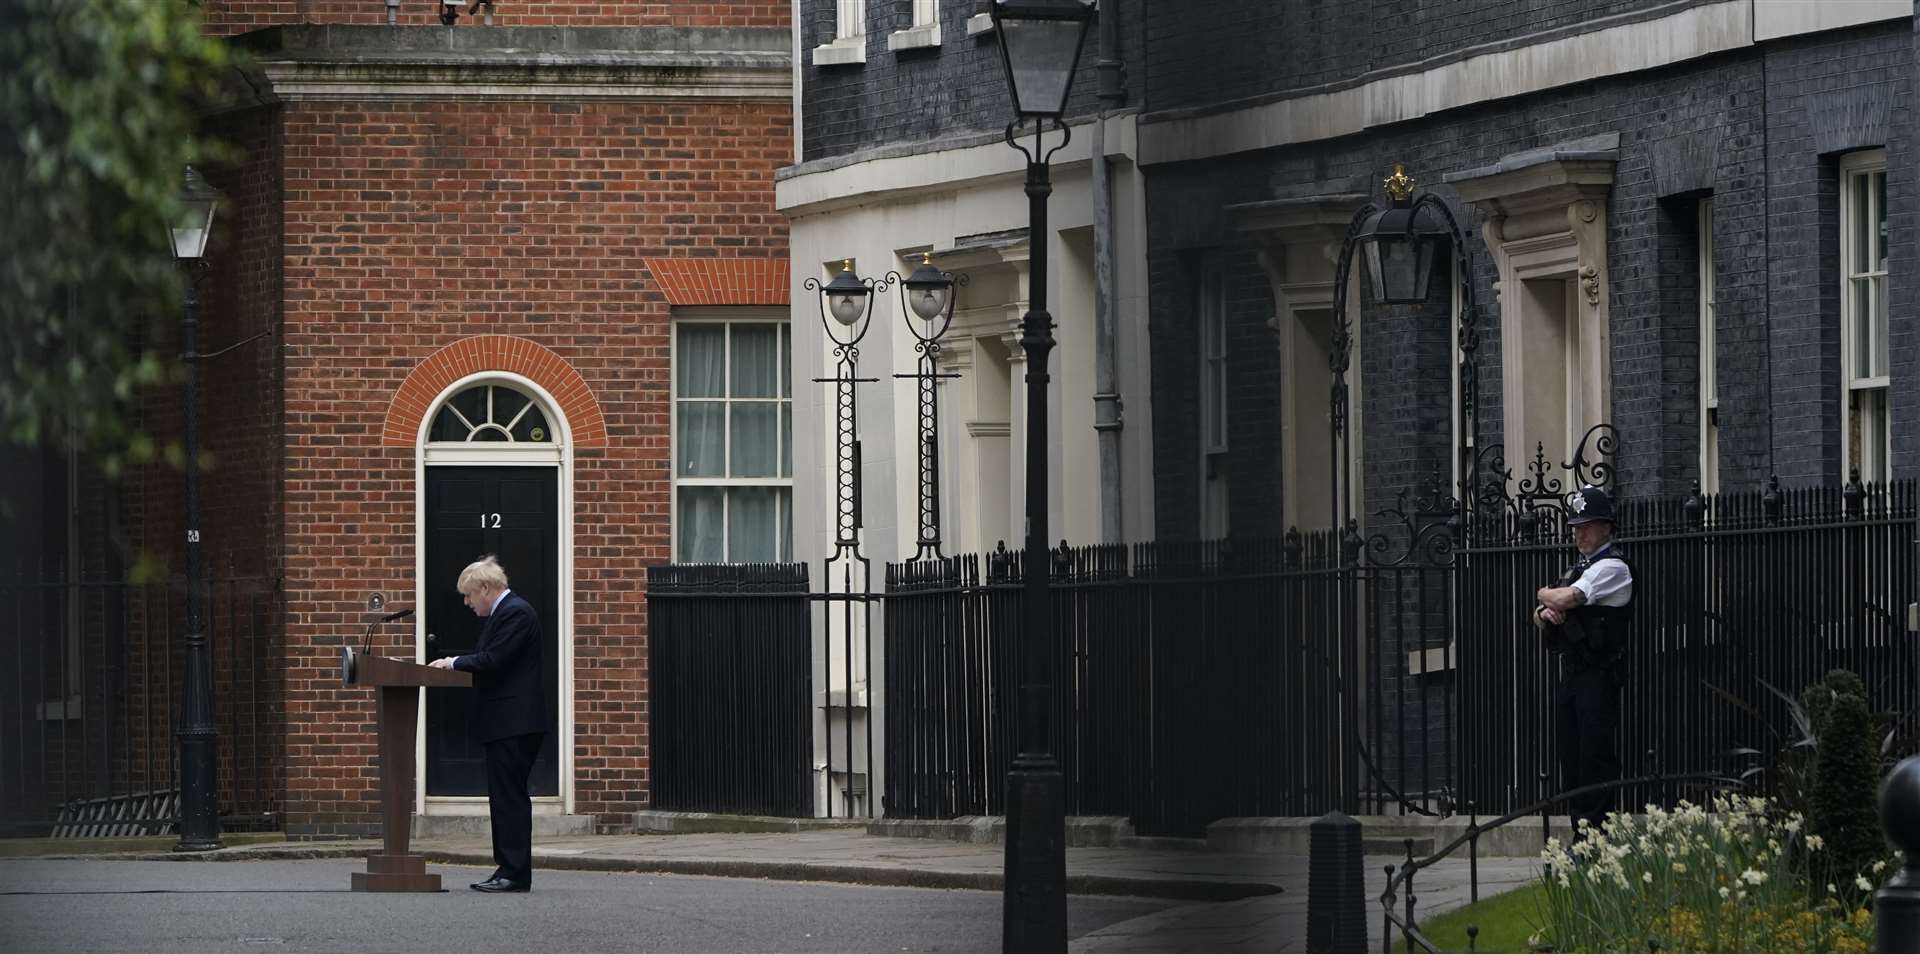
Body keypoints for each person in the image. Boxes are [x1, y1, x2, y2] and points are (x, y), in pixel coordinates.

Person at [430, 555, 547, 893]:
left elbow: (494, 660)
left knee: (509, 798)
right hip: (507, 724)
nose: (467, 603)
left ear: (485, 588)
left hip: (514, 723)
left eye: (468, 595)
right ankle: (506, 868)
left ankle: (514, 872)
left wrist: (452, 662)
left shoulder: (516, 613)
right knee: (504, 797)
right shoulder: (508, 613)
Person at [1531, 484, 1633, 838]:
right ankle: (1581, 833)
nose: (1579, 532)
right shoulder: (1580, 567)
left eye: (1587, 525)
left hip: (1599, 675)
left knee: (1594, 755)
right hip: (1573, 674)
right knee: (1571, 755)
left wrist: (1546, 596)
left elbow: (1570, 596)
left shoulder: (1613, 567)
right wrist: (1546, 612)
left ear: (1607, 526)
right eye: (1576, 526)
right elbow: (1543, 612)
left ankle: (1596, 836)